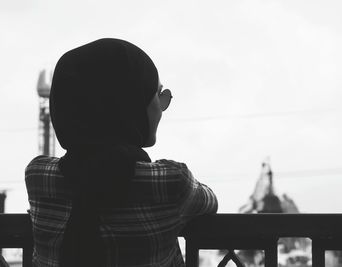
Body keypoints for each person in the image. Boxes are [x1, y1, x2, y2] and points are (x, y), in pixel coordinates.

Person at [25, 38, 218, 267]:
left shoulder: (38, 177)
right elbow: (210, 202)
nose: (162, 108)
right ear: (132, 103)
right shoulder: (172, 182)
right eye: (158, 94)